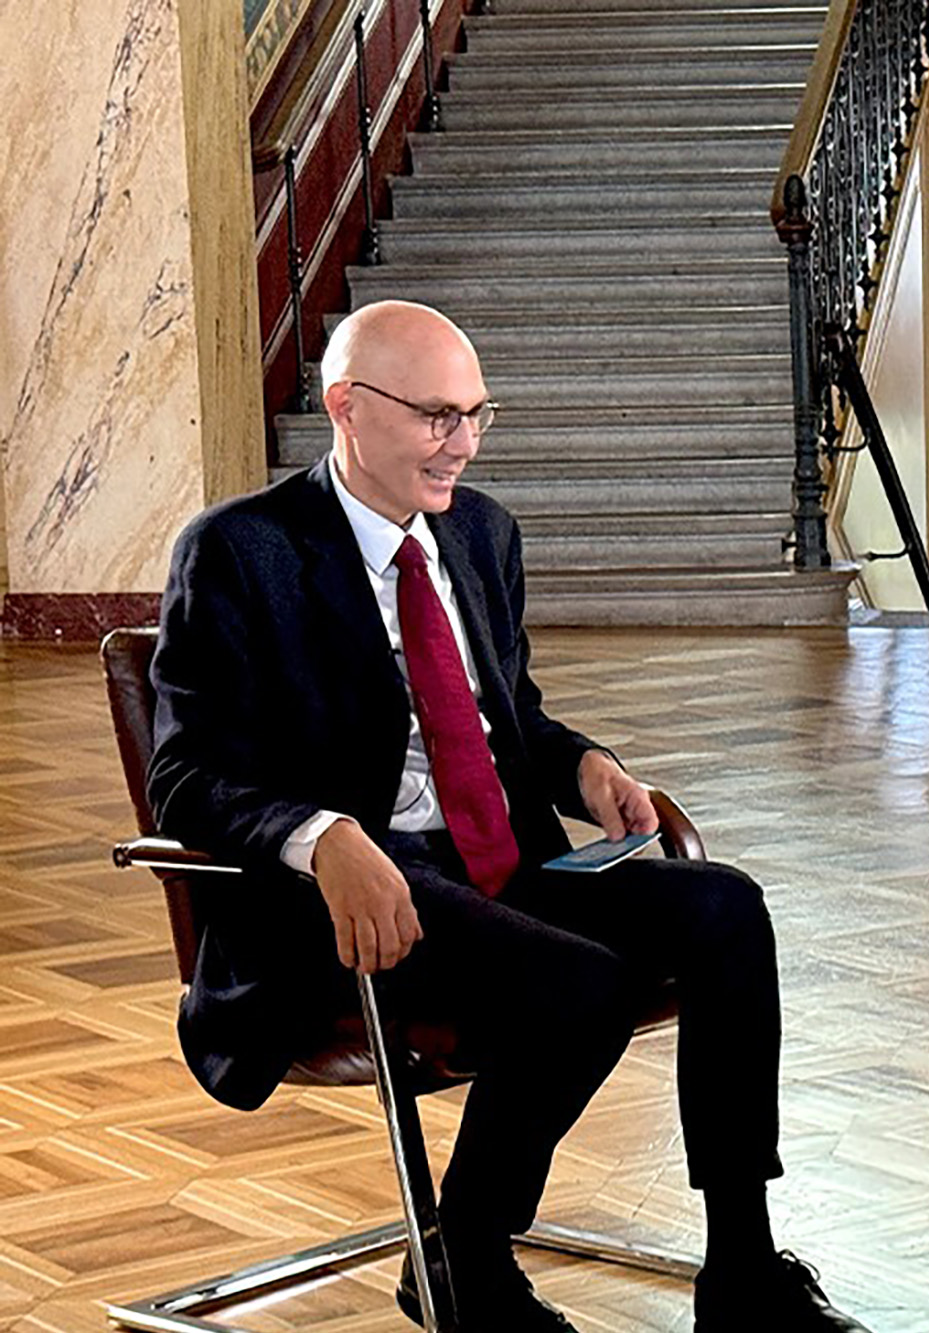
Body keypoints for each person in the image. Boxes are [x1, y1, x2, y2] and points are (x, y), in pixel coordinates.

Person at [149, 300, 870, 1333]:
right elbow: (186, 777)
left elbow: (505, 715)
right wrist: (323, 837)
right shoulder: (239, 550)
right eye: (439, 416)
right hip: (349, 900)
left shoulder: (480, 532)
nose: (463, 444)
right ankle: (467, 1260)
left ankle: (743, 1265)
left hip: (497, 864)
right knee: (580, 983)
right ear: (345, 406)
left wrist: (582, 767)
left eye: (478, 415)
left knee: (726, 910)